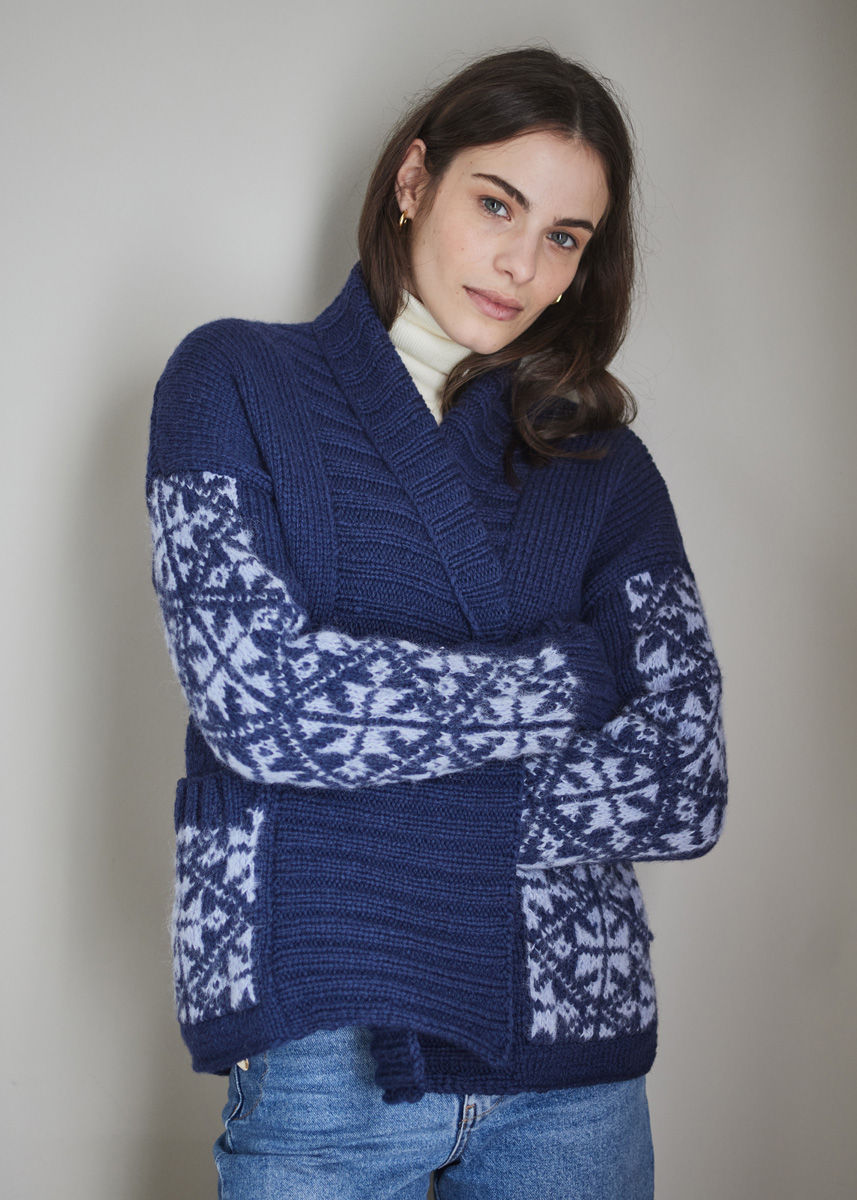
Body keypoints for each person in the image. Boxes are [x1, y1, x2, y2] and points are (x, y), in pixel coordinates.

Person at [147, 46, 726, 1200]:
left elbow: (683, 780)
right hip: (324, 1036)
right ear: (414, 181)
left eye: (563, 236)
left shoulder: (604, 470)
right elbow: (258, 710)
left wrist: (346, 798)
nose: (520, 263)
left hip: (574, 1058)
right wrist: (567, 679)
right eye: (496, 204)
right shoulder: (232, 382)